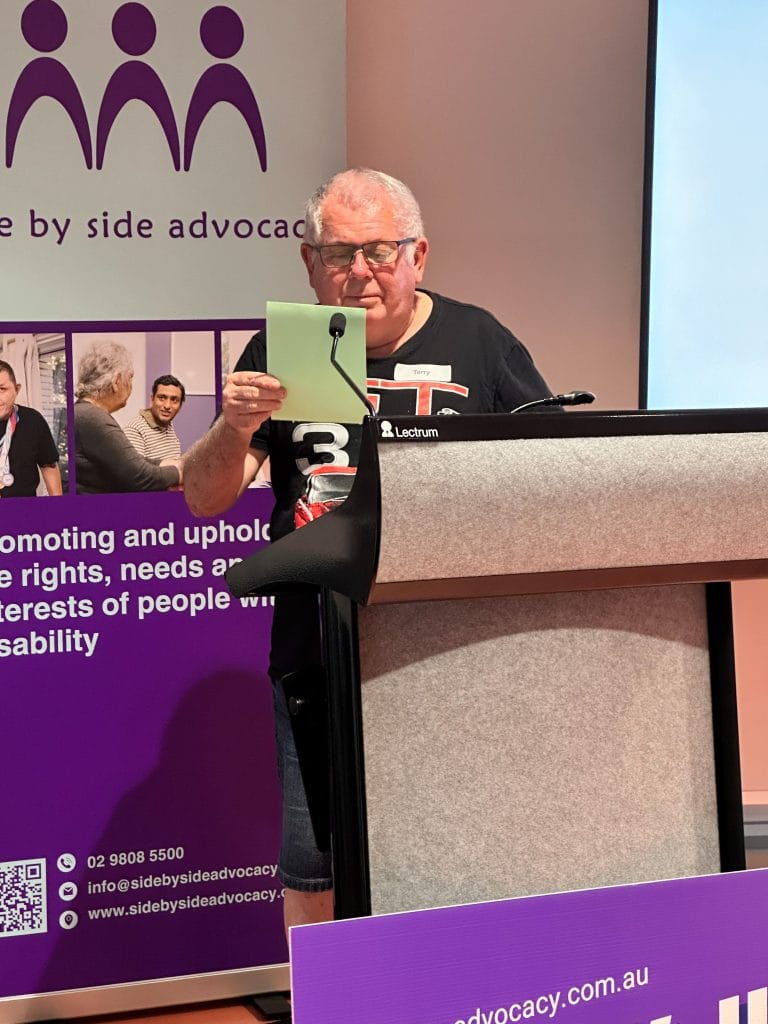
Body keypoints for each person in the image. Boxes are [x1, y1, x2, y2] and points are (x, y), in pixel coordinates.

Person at [183, 168, 556, 931]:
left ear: (419, 253)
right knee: (313, 867)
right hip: (317, 654)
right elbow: (204, 495)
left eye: (380, 252)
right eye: (339, 254)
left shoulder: (479, 342)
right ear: (309, 263)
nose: (359, 274)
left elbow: (547, 475)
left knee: (458, 856)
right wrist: (235, 427)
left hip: (451, 657)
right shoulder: (284, 350)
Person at [74, 341, 182, 494]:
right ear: (116, 381)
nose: (131, 385)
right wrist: (182, 472)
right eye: (130, 377)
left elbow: (130, 462)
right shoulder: (92, 418)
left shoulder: (86, 413)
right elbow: (139, 477)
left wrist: (169, 463)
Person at [0, 359, 62, 498]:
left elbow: (48, 464)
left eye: (2, 389)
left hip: (25, 511)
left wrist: (58, 507)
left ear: (17, 389)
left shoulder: (33, 420)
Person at [124, 374, 185, 463]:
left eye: (174, 400)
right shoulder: (135, 430)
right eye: (162, 398)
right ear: (152, 399)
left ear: (180, 406)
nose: (167, 406)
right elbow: (135, 473)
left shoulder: (167, 424)